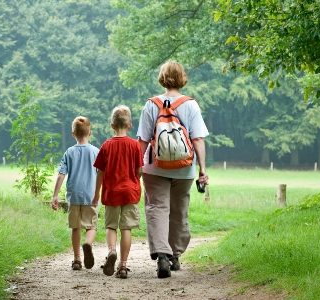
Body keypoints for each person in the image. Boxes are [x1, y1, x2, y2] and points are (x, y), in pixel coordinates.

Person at [136, 61, 209, 278]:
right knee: (178, 210)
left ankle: (162, 255)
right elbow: (197, 139)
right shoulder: (191, 105)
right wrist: (203, 169)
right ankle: (175, 255)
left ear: (162, 78)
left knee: (157, 208)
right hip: (184, 168)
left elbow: (142, 140)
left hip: (154, 166)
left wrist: (136, 165)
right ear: (182, 78)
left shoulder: (151, 104)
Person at [92, 105, 143, 279]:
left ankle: (112, 250)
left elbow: (100, 172)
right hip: (130, 192)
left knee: (111, 226)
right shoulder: (135, 145)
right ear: (129, 126)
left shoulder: (106, 146)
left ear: (112, 125)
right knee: (126, 227)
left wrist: (96, 194)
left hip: (111, 193)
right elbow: (139, 171)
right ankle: (122, 265)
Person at [51, 116, 99, 271]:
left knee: (75, 227)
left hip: (74, 196)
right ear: (90, 132)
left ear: (73, 134)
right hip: (91, 196)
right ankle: (88, 244)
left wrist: (55, 195)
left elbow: (61, 175)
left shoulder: (69, 152)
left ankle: (77, 259)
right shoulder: (95, 152)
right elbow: (102, 173)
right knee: (91, 226)